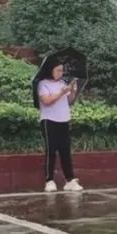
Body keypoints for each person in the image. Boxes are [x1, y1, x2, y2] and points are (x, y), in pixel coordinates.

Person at [38, 63, 83, 192]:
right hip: (49, 120)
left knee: (65, 151)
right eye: (58, 70)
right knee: (51, 150)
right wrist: (61, 92)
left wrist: (72, 91)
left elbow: (69, 102)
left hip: (64, 119)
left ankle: (70, 180)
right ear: (50, 70)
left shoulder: (63, 82)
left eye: (62, 71)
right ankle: (49, 180)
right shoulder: (43, 84)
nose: (61, 73)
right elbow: (46, 101)